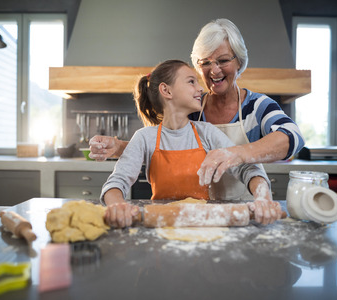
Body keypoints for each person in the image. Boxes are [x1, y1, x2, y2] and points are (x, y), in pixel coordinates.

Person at [91, 18, 304, 221]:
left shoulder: (257, 106)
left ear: (238, 62)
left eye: (223, 60)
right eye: (205, 63)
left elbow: (292, 137)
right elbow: (166, 143)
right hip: (198, 215)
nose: (214, 70)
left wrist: (235, 154)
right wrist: (120, 147)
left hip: (242, 213)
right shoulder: (192, 108)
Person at [100, 60, 280, 228]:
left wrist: (262, 197)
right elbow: (117, 181)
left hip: (203, 222)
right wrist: (118, 205)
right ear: (167, 91)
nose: (200, 88)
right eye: (191, 82)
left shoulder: (207, 132)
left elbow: (246, 168)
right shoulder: (144, 138)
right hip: (162, 222)